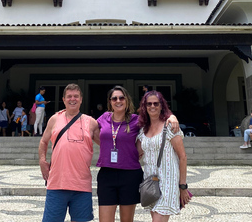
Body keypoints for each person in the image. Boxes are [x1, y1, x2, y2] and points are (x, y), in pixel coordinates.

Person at [96, 86, 179, 222]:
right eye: (114, 98)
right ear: (110, 101)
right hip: (107, 174)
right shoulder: (104, 117)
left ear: (127, 100)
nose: (118, 101)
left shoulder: (136, 120)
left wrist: (172, 116)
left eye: (121, 97)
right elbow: (89, 128)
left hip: (130, 175)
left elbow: (154, 113)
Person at [39, 83, 100, 222]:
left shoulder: (91, 123)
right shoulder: (55, 119)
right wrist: (42, 161)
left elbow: (107, 143)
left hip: (82, 186)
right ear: (64, 99)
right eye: (69, 96)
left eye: (76, 96)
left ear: (81, 99)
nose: (73, 99)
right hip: (57, 183)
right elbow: (43, 141)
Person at [137, 90, 191, 221]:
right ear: (144, 106)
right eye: (149, 104)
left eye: (156, 103)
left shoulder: (170, 127)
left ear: (162, 105)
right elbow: (137, 153)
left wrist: (182, 186)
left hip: (168, 182)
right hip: (150, 183)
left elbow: (182, 157)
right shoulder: (143, 130)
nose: (152, 106)